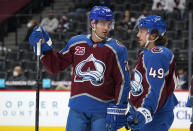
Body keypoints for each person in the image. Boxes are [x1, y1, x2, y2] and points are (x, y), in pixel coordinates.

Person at [29, 6, 130, 131]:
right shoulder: (76, 43)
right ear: (93, 23)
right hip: (77, 110)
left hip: (102, 111)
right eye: (103, 24)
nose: (107, 28)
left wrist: (119, 108)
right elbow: (55, 66)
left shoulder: (117, 49)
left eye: (109, 24)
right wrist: (44, 49)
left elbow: (123, 81)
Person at [126, 15, 178, 131]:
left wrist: (146, 111)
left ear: (153, 36)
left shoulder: (157, 54)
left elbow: (156, 88)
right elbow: (142, 87)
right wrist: (133, 110)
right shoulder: (146, 54)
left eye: (142, 31)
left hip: (155, 116)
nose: (138, 35)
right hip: (147, 115)